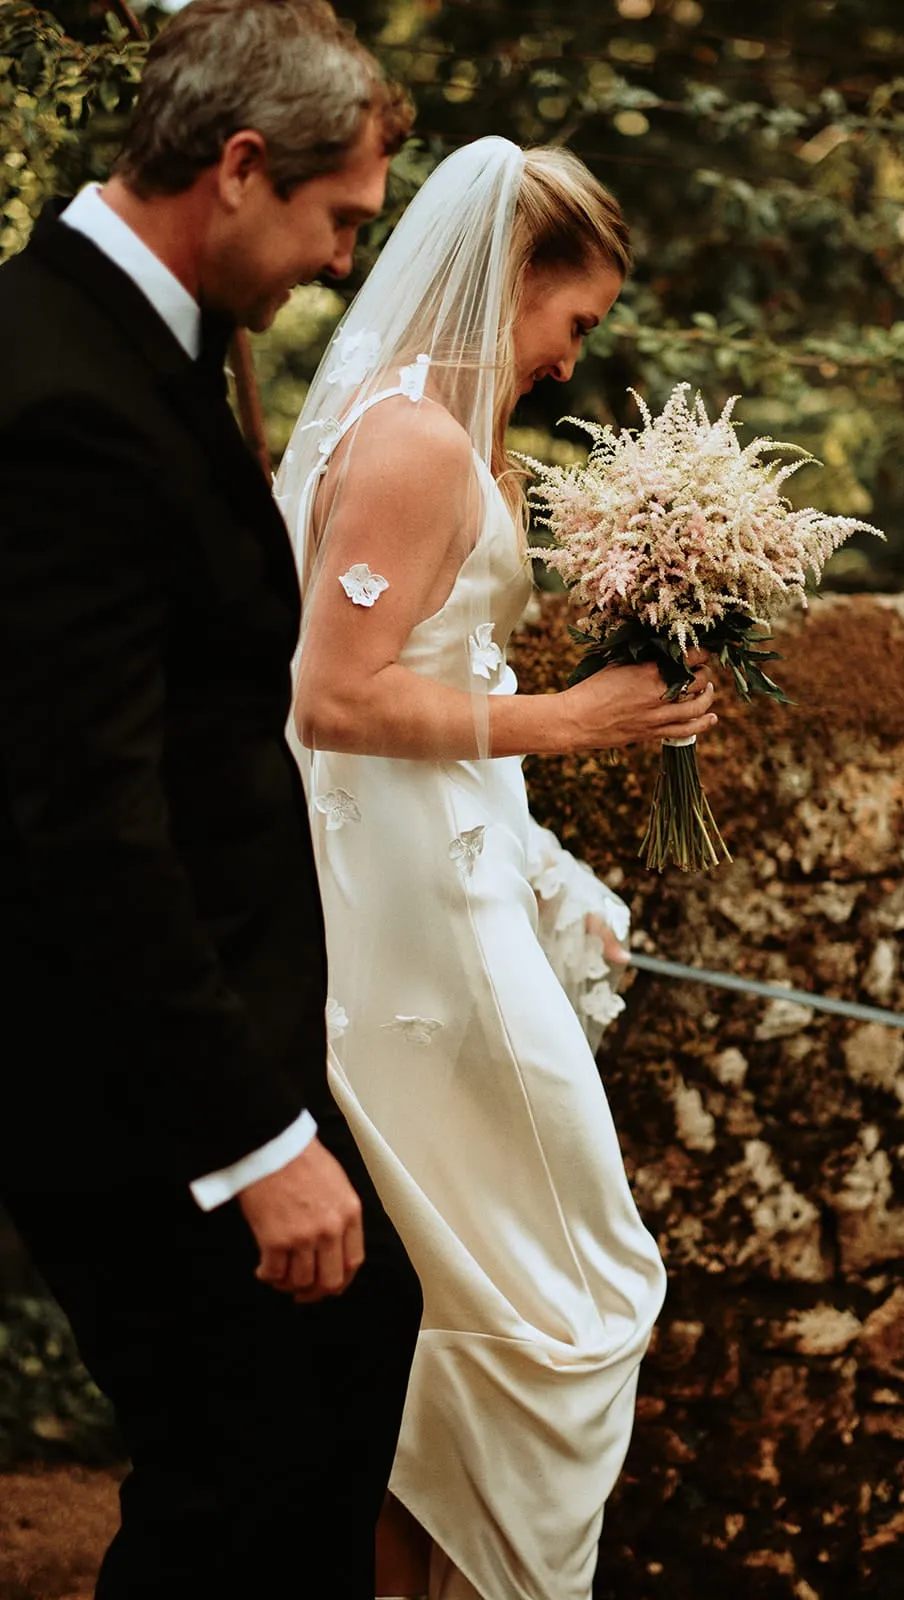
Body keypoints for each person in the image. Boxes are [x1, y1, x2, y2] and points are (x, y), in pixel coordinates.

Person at [0, 3, 422, 1596]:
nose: (337, 262)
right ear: (240, 168)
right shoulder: (63, 395)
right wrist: (252, 1140)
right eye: (336, 221)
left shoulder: (140, 351)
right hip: (122, 1065)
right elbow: (81, 812)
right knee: (250, 1459)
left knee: (302, 1409)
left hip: (187, 1039)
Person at [276, 136, 718, 1600]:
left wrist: (544, 868)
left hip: (459, 883)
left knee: (481, 1292)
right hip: (413, 923)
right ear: (513, 278)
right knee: (580, 1289)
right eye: (573, 322)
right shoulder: (408, 443)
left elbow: (435, 681)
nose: (570, 362)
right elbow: (331, 701)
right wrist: (580, 721)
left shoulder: (440, 435)